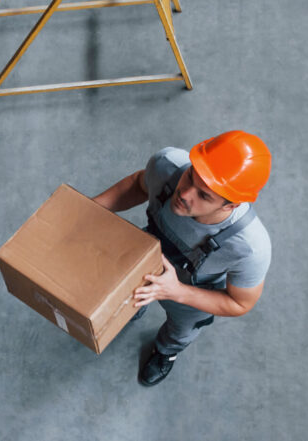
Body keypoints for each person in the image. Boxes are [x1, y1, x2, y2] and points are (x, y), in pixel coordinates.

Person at [92, 130, 273, 386]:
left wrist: (175, 292)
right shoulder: (168, 164)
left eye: (204, 196)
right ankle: (131, 311)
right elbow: (137, 184)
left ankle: (166, 352)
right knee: (128, 297)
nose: (185, 194)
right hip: (143, 259)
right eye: (190, 177)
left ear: (230, 205)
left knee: (181, 331)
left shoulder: (250, 247)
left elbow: (240, 304)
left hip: (191, 294)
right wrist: (88, 209)